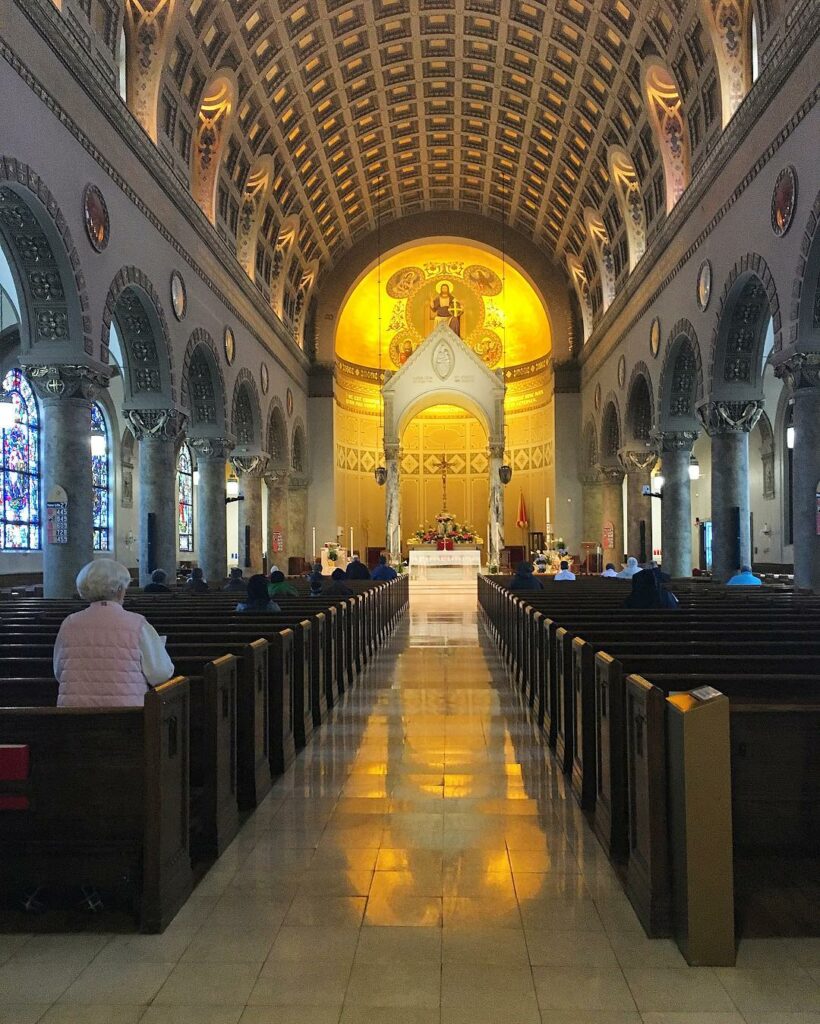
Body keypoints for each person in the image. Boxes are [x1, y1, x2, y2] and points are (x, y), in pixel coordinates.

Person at [54, 559, 175, 707]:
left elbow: (59, 672)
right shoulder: (137, 624)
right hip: (126, 715)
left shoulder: (69, 623)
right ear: (119, 590)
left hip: (73, 716)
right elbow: (159, 674)